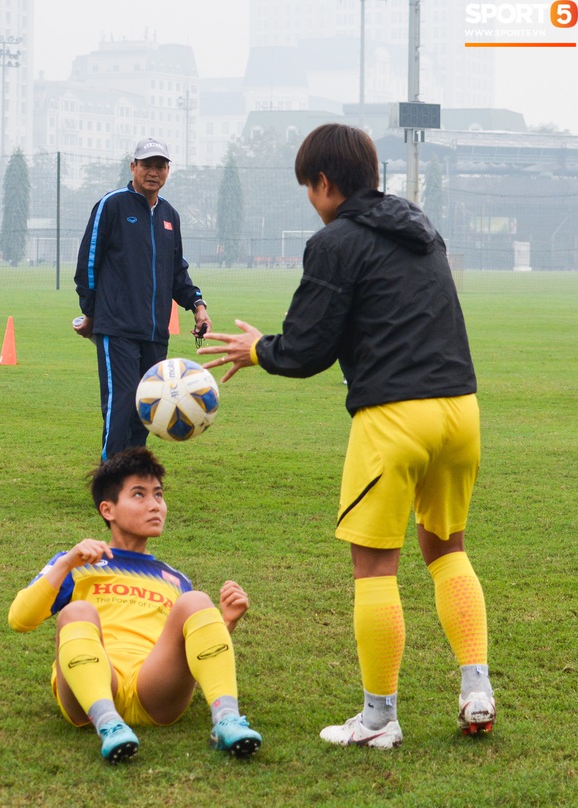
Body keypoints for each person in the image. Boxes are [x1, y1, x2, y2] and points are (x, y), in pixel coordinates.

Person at [198, 123, 495, 749]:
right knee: (446, 550)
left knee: (375, 567)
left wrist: (258, 350)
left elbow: (307, 349)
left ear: (326, 183)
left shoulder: (336, 242)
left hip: (396, 419)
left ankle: (379, 720)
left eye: (309, 188)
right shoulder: (418, 226)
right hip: (461, 410)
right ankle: (476, 690)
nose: (311, 199)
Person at [8, 446, 262, 763]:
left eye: (158, 495)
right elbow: (19, 619)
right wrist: (66, 564)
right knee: (77, 611)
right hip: (90, 690)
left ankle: (226, 721)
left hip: (152, 690)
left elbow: (186, 658)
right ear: (108, 510)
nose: (155, 505)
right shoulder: (79, 564)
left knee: (195, 601)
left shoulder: (174, 578)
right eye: (139, 495)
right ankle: (108, 723)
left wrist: (226, 623)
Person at [74, 138, 212, 460]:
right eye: (146, 165)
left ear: (167, 171)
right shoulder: (111, 205)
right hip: (117, 328)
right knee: (121, 403)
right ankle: (111, 479)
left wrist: (198, 307)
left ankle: (133, 476)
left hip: (154, 333)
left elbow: (177, 271)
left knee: (147, 407)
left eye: (160, 166)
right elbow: (88, 264)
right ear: (133, 167)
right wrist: (91, 314)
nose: (153, 172)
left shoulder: (169, 216)